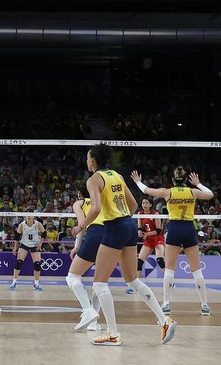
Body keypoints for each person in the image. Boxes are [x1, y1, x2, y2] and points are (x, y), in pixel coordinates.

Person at [72, 144, 175, 346]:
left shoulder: (94, 179)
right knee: (132, 280)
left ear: (92, 161)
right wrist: (122, 219)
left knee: (99, 283)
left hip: (115, 228)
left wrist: (80, 226)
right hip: (128, 224)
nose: (86, 161)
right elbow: (134, 205)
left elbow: (95, 208)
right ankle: (164, 320)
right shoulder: (117, 175)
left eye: (87, 158)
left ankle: (113, 333)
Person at [130, 167, 214, 316]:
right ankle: (205, 305)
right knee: (196, 271)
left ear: (174, 180)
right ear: (186, 181)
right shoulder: (192, 192)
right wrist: (198, 183)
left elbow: (147, 190)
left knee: (169, 269)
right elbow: (210, 194)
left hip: (174, 229)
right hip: (188, 229)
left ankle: (166, 304)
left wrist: (137, 181)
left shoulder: (167, 192)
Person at [65, 185, 103, 332]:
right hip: (111, 237)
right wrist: (77, 246)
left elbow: (82, 225)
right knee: (100, 282)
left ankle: (88, 310)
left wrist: (76, 246)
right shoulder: (101, 200)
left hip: (94, 235)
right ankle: (93, 324)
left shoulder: (79, 203)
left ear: (80, 194)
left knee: (72, 277)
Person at [126, 198, 165, 294]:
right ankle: (135, 286)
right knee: (139, 262)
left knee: (159, 260)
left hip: (158, 239)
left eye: (147, 203)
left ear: (151, 204)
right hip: (148, 241)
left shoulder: (155, 214)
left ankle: (170, 281)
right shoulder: (140, 214)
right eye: (143, 203)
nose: (144, 204)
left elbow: (159, 230)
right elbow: (140, 227)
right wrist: (140, 232)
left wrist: (147, 234)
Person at [10, 214, 45, 291]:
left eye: (30, 215)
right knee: (18, 262)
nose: (28, 216)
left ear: (33, 216)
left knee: (37, 264)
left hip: (35, 245)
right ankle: (14, 282)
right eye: (27, 215)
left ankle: (36, 283)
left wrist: (40, 243)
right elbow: (16, 237)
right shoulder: (21, 225)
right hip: (24, 244)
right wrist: (15, 248)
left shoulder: (38, 224)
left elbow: (44, 233)